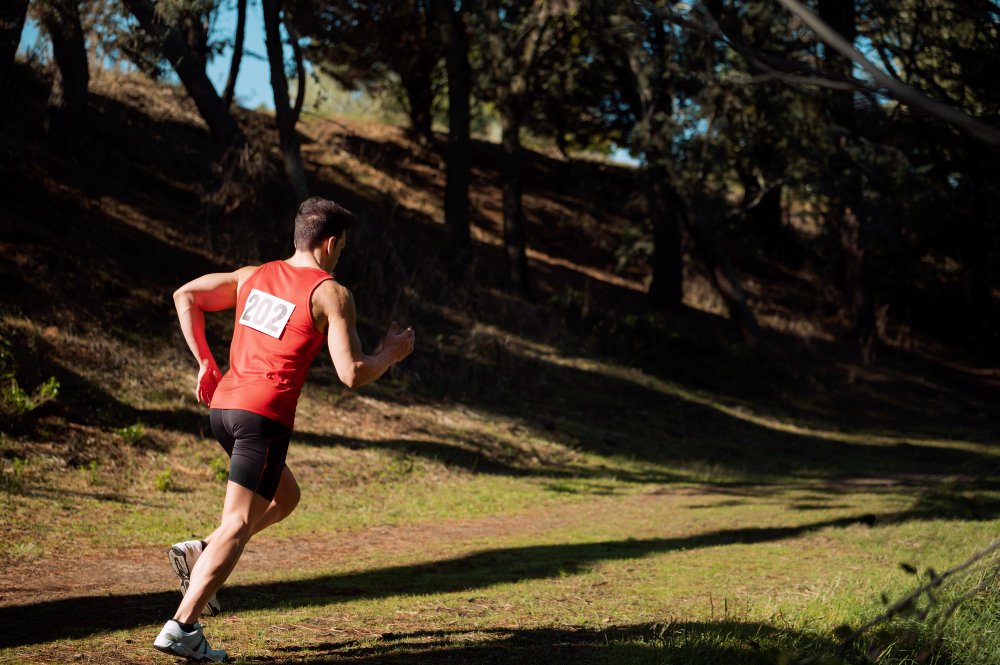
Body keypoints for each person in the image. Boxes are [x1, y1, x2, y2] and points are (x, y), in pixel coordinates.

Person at [153, 197, 415, 661]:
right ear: (331, 243)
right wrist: (390, 354)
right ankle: (182, 626)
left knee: (284, 498)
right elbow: (352, 372)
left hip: (225, 411)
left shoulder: (251, 275)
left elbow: (185, 296)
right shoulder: (330, 292)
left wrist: (205, 363)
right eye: (342, 246)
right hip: (264, 418)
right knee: (238, 522)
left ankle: (202, 551)